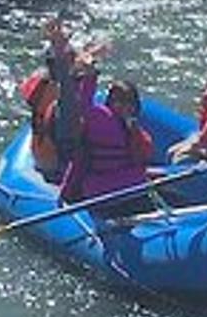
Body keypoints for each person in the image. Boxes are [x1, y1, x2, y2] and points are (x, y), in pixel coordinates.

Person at [60, 79, 156, 219]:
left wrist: (134, 132)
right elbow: (84, 106)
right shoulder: (102, 118)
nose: (125, 107)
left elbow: (144, 156)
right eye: (120, 101)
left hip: (130, 191)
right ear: (110, 101)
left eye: (130, 102)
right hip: (104, 194)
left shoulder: (136, 130)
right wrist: (90, 77)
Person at [38, 17, 106, 177]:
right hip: (70, 166)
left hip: (77, 157)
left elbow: (77, 66)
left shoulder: (75, 89)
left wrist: (92, 55)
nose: (79, 58)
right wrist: (58, 45)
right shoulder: (66, 96)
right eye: (73, 57)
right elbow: (63, 71)